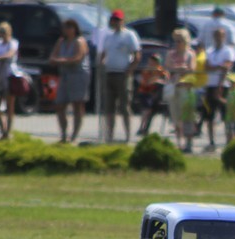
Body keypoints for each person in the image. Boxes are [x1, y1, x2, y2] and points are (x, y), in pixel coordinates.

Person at [100, 9, 141, 143]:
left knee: (124, 106)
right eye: (113, 19)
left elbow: (137, 55)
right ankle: (109, 135)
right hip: (109, 73)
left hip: (122, 74)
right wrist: (102, 64)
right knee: (109, 107)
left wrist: (129, 70)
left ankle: (128, 135)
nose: (115, 22)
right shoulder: (108, 36)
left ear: (122, 21)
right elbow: (104, 53)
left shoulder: (129, 35)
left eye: (118, 20)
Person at [49, 19, 90, 143]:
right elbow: (52, 58)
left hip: (78, 75)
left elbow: (77, 58)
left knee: (77, 104)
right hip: (65, 75)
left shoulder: (80, 41)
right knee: (60, 105)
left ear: (75, 29)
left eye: (70, 27)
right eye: (65, 27)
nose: (67, 30)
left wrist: (61, 61)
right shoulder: (61, 42)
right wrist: (62, 60)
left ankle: (74, 135)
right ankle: (63, 134)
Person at [204, 28, 235, 151]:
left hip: (223, 86)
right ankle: (211, 141)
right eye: (216, 35)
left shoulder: (228, 51)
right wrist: (218, 66)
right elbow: (207, 66)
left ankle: (229, 140)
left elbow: (227, 67)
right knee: (209, 115)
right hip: (210, 85)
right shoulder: (210, 51)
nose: (218, 38)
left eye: (221, 36)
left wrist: (220, 85)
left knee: (226, 115)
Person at [164, 28, 196, 150]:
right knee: (175, 116)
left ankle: (189, 143)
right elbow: (168, 67)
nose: (177, 43)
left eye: (180, 41)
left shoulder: (190, 54)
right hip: (174, 88)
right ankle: (179, 143)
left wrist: (179, 68)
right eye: (176, 41)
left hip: (185, 88)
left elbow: (191, 69)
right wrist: (180, 68)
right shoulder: (170, 54)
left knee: (187, 117)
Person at [135, 53, 168, 136]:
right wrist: (154, 79)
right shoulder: (146, 70)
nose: (152, 63)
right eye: (151, 61)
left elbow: (166, 79)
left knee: (151, 111)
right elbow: (146, 83)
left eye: (154, 61)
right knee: (146, 110)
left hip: (156, 95)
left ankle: (144, 128)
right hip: (145, 93)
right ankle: (142, 127)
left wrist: (159, 80)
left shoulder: (160, 71)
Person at [177, 74, 198, 153]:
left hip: (189, 116)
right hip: (185, 115)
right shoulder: (186, 93)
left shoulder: (191, 94)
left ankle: (189, 146)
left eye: (186, 84)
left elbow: (191, 105)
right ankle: (186, 145)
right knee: (185, 131)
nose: (184, 85)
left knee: (189, 131)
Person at [223, 72, 235, 143]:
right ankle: (229, 142)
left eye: (234, 83)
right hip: (229, 114)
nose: (232, 84)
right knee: (228, 129)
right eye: (231, 82)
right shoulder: (229, 91)